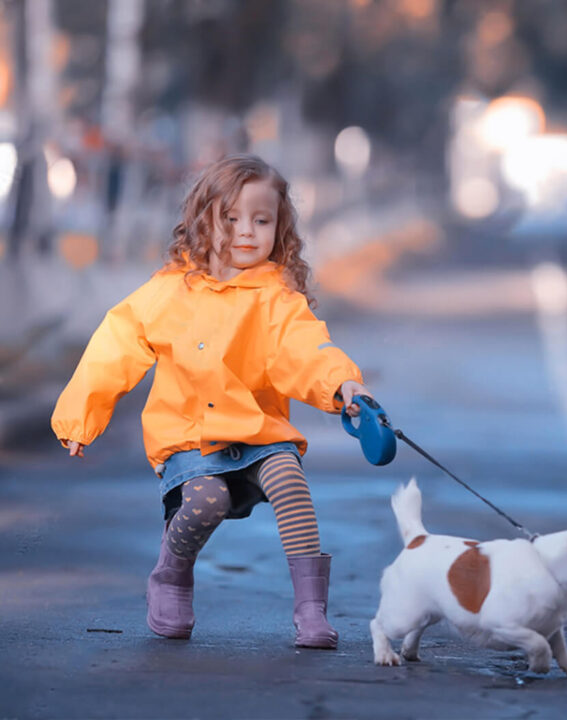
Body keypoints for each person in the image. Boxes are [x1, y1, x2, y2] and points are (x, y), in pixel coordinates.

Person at [51, 154, 373, 649]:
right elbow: (113, 349)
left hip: (257, 431)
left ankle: (311, 611)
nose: (246, 232)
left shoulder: (277, 297)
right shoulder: (168, 292)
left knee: (290, 482)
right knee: (209, 500)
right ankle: (172, 574)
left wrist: (341, 385)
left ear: (279, 229)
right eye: (231, 218)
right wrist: (81, 416)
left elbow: (307, 351)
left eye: (261, 220)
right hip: (188, 436)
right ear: (204, 220)